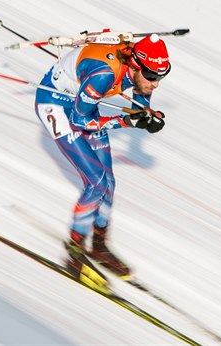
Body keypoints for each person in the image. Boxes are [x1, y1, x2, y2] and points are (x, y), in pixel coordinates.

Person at [34, 34, 170, 281]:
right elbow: (79, 122)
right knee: (95, 182)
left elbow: (140, 102)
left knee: (108, 183)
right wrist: (127, 121)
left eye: (161, 76)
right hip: (57, 106)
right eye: (151, 76)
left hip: (82, 103)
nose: (156, 83)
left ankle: (98, 245)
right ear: (136, 66)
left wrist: (148, 116)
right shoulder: (103, 76)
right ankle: (74, 252)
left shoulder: (139, 72)